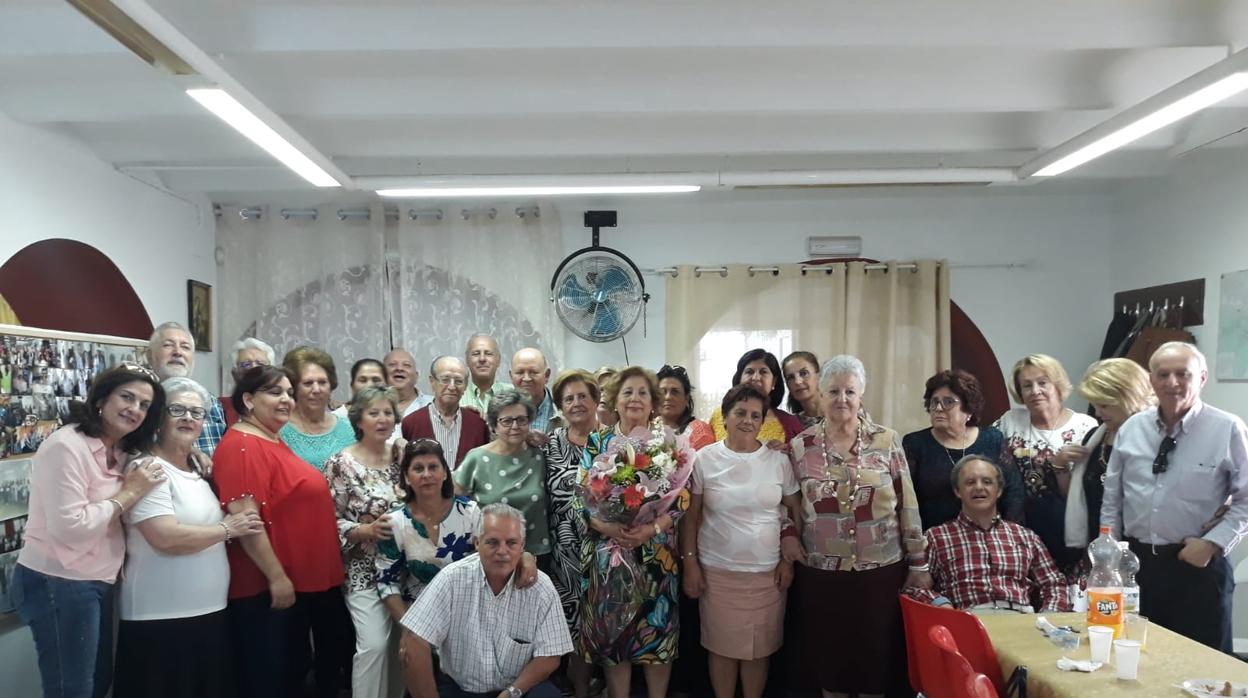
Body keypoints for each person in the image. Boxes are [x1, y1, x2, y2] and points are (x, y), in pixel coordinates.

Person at [12, 364, 166, 698]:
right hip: (58, 579)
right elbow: (72, 528)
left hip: (98, 579)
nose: (135, 409)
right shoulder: (66, 446)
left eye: (144, 405)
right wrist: (128, 494)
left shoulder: (122, 449)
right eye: (127, 397)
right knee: (72, 690)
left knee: (98, 680)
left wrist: (193, 451)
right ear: (101, 399)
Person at [114, 377, 265, 698]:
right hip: (160, 617)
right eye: (178, 410)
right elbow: (165, 537)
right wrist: (228, 529)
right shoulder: (148, 469)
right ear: (159, 416)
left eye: (197, 413)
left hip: (208, 612)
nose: (188, 418)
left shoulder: (196, 467)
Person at [788, 355, 928, 698]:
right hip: (822, 571)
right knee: (830, 660)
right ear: (821, 394)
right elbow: (785, 503)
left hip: (880, 570)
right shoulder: (801, 446)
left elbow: (907, 503)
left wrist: (919, 564)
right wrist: (786, 534)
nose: (842, 399)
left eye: (850, 391)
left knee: (874, 662)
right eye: (834, 391)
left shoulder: (887, 440)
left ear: (861, 394)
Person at [1102, 342, 1248, 653]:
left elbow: (1246, 499)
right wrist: (1110, 558)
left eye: (1183, 374)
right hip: (1139, 568)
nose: (1172, 382)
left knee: (1203, 664)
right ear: (1151, 380)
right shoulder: (1132, 428)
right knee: (1140, 658)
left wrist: (1212, 543)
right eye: (1163, 374)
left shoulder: (1227, 428)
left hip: (1198, 566)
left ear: (1202, 378)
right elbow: (1112, 499)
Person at [213, 365, 349, 698]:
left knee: (296, 672)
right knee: (271, 679)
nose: (286, 399)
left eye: (289, 392)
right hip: (264, 587)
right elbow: (247, 522)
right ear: (248, 400)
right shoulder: (242, 445)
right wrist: (276, 577)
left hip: (294, 584)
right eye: (275, 392)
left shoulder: (271, 439)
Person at [681, 384, 801, 698]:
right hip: (718, 572)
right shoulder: (704, 459)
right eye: (740, 413)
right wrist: (690, 563)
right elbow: (691, 517)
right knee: (721, 649)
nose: (748, 420)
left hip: (767, 575)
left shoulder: (777, 460)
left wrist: (788, 560)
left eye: (755, 415)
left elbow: (795, 509)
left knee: (758, 651)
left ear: (762, 421)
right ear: (725, 416)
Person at [580, 365, 687, 698]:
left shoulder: (667, 442)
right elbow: (580, 500)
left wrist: (650, 528)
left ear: (653, 401)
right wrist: (611, 527)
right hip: (609, 556)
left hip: (656, 557)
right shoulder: (597, 441)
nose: (635, 399)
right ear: (615, 400)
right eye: (627, 392)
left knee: (656, 635)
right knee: (614, 639)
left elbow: (682, 499)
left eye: (643, 392)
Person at [399, 504, 573, 698]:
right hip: (461, 688)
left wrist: (511, 693)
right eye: (492, 542)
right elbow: (413, 640)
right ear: (477, 543)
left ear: (522, 546)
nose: (502, 551)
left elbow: (550, 655)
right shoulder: (452, 579)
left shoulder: (540, 587)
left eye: (511, 543)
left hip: (517, 689)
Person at [376, 441, 539, 620]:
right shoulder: (394, 521)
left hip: (471, 606)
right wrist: (408, 625)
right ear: (406, 477)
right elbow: (386, 581)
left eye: (433, 467)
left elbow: (498, 546)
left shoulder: (469, 512)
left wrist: (525, 556)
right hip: (420, 611)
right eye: (418, 469)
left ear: (445, 473)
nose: (426, 474)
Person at [909, 455, 1069, 614]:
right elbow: (913, 589)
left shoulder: (1025, 537)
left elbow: (1054, 584)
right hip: (967, 619)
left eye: (987, 482)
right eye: (970, 482)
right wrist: (940, 604)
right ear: (957, 491)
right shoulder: (936, 537)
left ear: (999, 490)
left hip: (1020, 618)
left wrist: (1047, 618)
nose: (979, 487)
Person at [324, 386, 405, 698]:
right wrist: (364, 530)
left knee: (401, 646)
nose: (382, 419)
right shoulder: (340, 463)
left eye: (387, 412)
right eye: (374, 413)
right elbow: (328, 521)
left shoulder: (402, 456)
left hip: (405, 568)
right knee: (374, 645)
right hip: (363, 569)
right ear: (359, 420)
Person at [993, 354, 1098, 570]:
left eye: (1042, 383)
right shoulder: (1010, 421)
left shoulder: (1085, 427)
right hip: (1019, 528)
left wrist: (1059, 466)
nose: (1035, 391)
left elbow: (1086, 493)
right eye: (1027, 385)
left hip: (1067, 530)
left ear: (1057, 385)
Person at [543, 369, 600, 698]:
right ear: (560, 406)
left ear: (595, 399)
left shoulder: (611, 442)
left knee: (600, 622)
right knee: (571, 624)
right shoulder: (550, 444)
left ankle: (600, 686)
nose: (576, 403)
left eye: (582, 396)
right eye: (568, 398)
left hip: (605, 549)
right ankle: (578, 688)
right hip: (564, 552)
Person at [903, 370, 1014, 530]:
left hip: (989, 532)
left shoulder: (992, 439)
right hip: (934, 536)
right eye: (934, 402)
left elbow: (1012, 492)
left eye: (948, 402)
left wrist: (1009, 534)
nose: (938, 408)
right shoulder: (915, 443)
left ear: (968, 409)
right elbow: (906, 500)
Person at [1063, 358, 1154, 550]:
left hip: (1144, 546)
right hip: (1099, 543)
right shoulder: (1094, 437)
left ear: (1128, 398)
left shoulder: (1155, 438)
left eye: (1104, 405)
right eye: (1094, 405)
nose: (1097, 413)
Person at [454, 388, 552, 557]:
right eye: (507, 421)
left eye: (521, 420)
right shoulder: (477, 458)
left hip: (536, 553)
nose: (515, 426)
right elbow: (454, 502)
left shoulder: (540, 455)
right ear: (494, 426)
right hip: (492, 554)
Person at [149, 321, 227, 455]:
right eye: (168, 345)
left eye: (185, 347)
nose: (177, 352)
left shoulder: (211, 402)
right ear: (150, 356)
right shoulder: (142, 402)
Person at [400, 356, 489, 469]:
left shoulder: (478, 424)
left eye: (458, 381)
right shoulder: (411, 423)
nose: (452, 386)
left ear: (466, 385)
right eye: (445, 380)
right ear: (432, 382)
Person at [279, 346, 356, 470]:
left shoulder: (349, 428)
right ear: (294, 387)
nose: (316, 389)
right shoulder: (279, 430)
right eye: (308, 383)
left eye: (322, 382)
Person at [710, 349, 803, 443]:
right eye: (749, 372)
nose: (756, 378)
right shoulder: (718, 416)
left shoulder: (791, 423)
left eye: (763, 372)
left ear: (774, 381)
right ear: (739, 378)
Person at [657, 364, 715, 451]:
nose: (668, 397)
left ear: (686, 398)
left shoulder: (700, 432)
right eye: (662, 392)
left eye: (675, 392)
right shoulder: (648, 427)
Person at [222, 337, 276, 427]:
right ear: (234, 373)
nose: (254, 368)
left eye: (261, 364)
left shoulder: (280, 405)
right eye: (246, 364)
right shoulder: (221, 407)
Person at [511, 347, 561, 432]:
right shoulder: (498, 414)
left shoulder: (564, 412)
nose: (526, 379)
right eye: (520, 372)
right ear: (511, 376)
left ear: (547, 375)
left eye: (533, 372)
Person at [462, 334, 513, 415]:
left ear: (498, 360)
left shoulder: (513, 393)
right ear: (467, 360)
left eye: (488, 354)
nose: (482, 359)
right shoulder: (456, 394)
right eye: (476, 354)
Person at [383, 349, 432, 421]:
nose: (399, 368)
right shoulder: (370, 406)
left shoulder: (433, 405)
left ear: (416, 376)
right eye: (392, 364)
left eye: (406, 365)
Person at [781, 351, 822, 429]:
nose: (797, 382)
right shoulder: (790, 425)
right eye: (791, 377)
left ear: (819, 375)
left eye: (804, 373)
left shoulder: (839, 414)